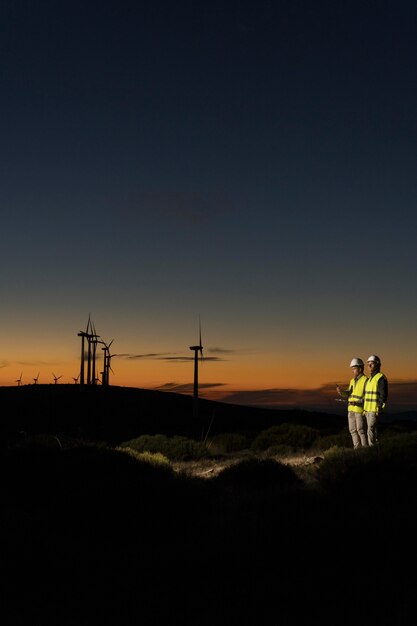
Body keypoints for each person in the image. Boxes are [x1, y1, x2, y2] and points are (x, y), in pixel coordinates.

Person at [337, 358, 368, 448]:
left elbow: (366, 397)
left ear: (360, 369)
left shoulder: (365, 380)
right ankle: (357, 449)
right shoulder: (352, 381)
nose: (352, 371)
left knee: (361, 430)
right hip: (351, 410)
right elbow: (348, 392)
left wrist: (357, 403)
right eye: (352, 369)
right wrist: (341, 392)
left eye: (354, 369)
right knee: (352, 430)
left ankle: (365, 450)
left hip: (359, 410)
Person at [363, 355, 388, 446]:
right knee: (374, 429)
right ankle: (377, 449)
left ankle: (371, 450)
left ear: (377, 365)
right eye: (368, 364)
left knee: (370, 429)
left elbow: (383, 394)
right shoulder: (369, 379)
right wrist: (365, 409)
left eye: (372, 364)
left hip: (375, 409)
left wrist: (380, 406)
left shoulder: (381, 377)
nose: (369, 366)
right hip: (367, 410)